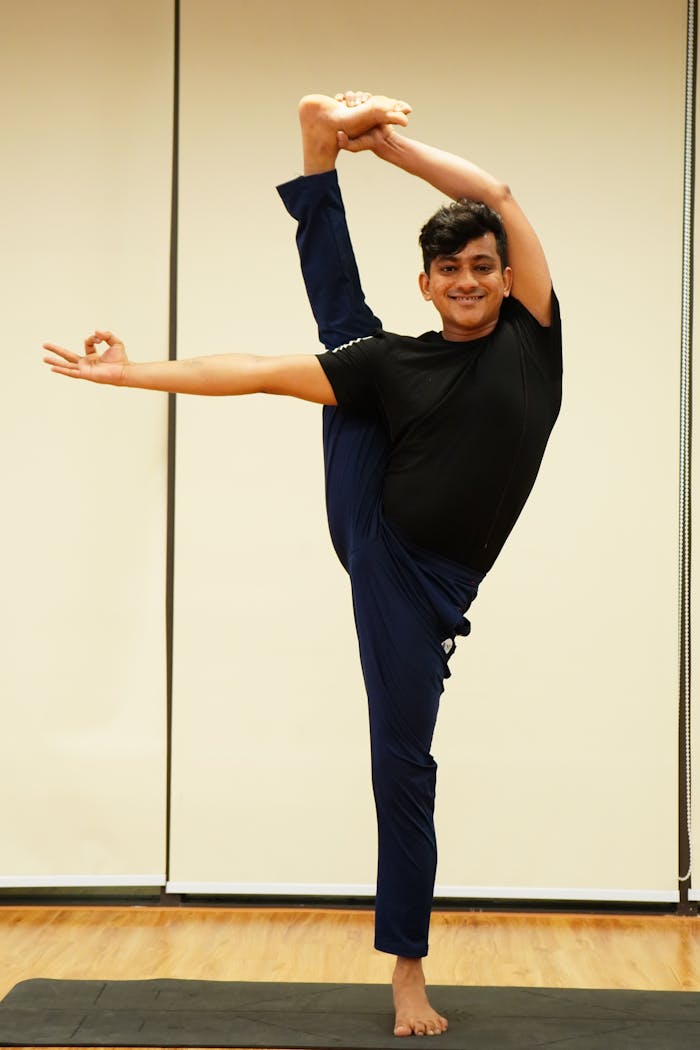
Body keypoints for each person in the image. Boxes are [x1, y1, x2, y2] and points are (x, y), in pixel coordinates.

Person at [43, 92, 562, 1039]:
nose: (468, 280)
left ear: (506, 277)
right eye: (449, 269)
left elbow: (497, 192)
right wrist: (131, 373)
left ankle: (318, 153)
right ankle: (408, 972)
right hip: (386, 554)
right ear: (427, 284)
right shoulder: (397, 364)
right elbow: (255, 372)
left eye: (483, 266)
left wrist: (387, 148)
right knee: (403, 765)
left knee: (347, 332)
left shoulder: (534, 338)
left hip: (439, 584)